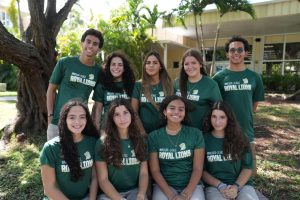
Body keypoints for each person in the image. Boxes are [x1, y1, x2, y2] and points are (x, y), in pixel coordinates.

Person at [212, 35, 264, 173]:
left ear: (246, 53)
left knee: (250, 170)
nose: (236, 53)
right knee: (227, 167)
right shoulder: (218, 78)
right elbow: (215, 104)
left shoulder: (255, 77)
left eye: (240, 50)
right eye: (232, 50)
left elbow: (254, 104)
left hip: (246, 127)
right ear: (227, 53)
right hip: (224, 127)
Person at [46, 28, 104, 141]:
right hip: (57, 122)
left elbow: (98, 102)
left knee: (76, 158)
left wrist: (94, 125)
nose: (91, 46)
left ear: (99, 49)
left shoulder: (99, 72)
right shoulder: (65, 62)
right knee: (54, 157)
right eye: (88, 41)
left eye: (95, 44)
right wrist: (50, 117)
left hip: (79, 125)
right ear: (82, 43)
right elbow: (51, 90)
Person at [148, 95, 205, 200]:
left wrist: (185, 195)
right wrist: (171, 195)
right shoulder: (153, 137)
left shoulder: (196, 134)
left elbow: (198, 168)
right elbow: (155, 170)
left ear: (184, 113)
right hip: (164, 186)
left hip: (192, 186)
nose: (176, 112)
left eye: (181, 109)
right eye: (172, 108)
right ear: (165, 111)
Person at [40, 100, 99, 200]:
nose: (77, 121)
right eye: (72, 117)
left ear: (87, 120)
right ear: (64, 120)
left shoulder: (93, 143)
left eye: (82, 117)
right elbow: (49, 189)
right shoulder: (50, 148)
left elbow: (94, 178)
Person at [202, 101, 259, 200]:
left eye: (222, 117)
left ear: (229, 118)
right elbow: (202, 171)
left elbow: (248, 167)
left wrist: (236, 186)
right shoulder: (204, 140)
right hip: (215, 186)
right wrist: (220, 185)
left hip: (241, 185)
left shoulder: (241, 138)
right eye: (214, 116)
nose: (217, 121)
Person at [95, 98, 148, 200]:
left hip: (134, 191)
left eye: (125, 113)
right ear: (111, 118)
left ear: (131, 114)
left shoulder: (141, 140)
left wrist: (141, 195)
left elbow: (144, 173)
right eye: (117, 115)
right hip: (108, 194)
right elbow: (103, 179)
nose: (122, 118)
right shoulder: (102, 143)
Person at [174, 48, 222, 131]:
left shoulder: (211, 84)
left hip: (202, 132)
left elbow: (219, 109)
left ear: (200, 64)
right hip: (180, 130)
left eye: (193, 63)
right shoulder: (177, 82)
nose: (190, 67)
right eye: (186, 64)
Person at [92, 51, 136, 131]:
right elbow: (98, 110)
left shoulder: (132, 86)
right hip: (107, 128)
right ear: (108, 67)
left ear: (124, 68)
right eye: (113, 64)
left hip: (126, 128)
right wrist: (97, 129)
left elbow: (134, 110)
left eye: (120, 65)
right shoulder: (102, 86)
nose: (116, 67)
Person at [131, 51, 173, 134]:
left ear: (160, 66)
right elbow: (134, 112)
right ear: (144, 66)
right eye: (148, 63)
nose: (151, 65)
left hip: (164, 133)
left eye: (155, 63)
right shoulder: (138, 85)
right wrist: (142, 132)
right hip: (144, 133)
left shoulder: (168, 85)